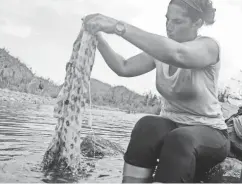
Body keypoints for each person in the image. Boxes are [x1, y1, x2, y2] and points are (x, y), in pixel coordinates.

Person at [83, 0, 229, 182]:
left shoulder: (208, 47)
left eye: (177, 22)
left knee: (180, 139)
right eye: (167, 20)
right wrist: (99, 39)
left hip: (210, 132)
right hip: (172, 124)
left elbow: (178, 54)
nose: (169, 26)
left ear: (197, 23)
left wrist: (116, 27)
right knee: (146, 126)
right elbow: (124, 67)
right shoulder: (160, 52)